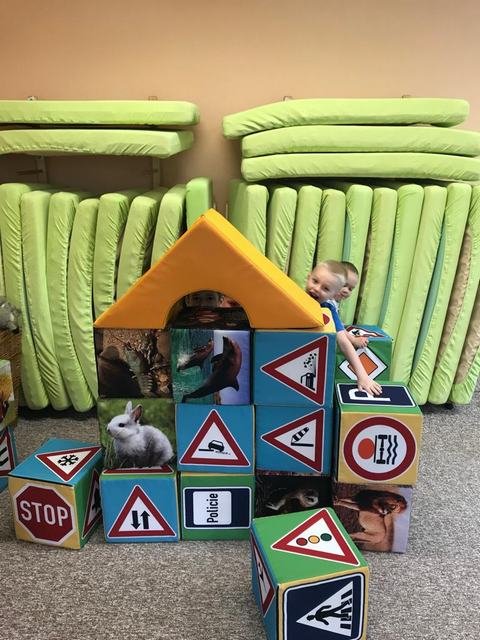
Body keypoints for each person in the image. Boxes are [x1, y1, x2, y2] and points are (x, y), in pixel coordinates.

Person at [306, 261, 382, 396]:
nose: (317, 288)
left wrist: (362, 376)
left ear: (334, 294)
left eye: (326, 288)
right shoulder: (299, 297)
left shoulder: (328, 308)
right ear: (308, 277)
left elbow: (342, 340)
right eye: (315, 281)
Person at [334, 262, 369, 350]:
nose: (346, 291)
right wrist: (354, 340)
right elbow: (338, 329)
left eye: (350, 289)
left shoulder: (333, 302)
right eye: (344, 285)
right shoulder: (327, 302)